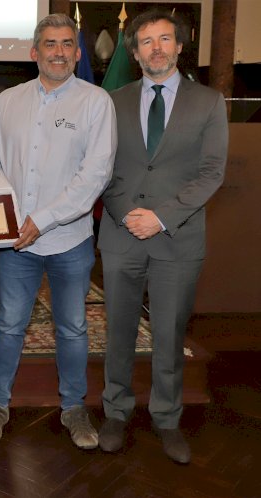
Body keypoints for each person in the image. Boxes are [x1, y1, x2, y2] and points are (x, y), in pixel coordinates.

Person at [0, 13, 116, 450]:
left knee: (72, 327)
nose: (58, 52)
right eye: (50, 43)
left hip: (68, 240)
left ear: (77, 52)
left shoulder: (95, 102)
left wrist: (45, 218)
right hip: (15, 242)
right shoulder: (9, 100)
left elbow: (96, 175)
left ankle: (73, 407)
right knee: (10, 324)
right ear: (35, 52)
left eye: (67, 44)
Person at [97, 10, 228, 464]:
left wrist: (160, 217)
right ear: (134, 53)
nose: (156, 47)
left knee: (170, 332)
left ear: (179, 46)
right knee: (118, 330)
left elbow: (212, 174)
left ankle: (167, 419)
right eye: (147, 41)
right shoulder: (111, 102)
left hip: (178, 238)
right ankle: (115, 412)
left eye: (164, 39)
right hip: (121, 233)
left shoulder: (209, 102)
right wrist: (126, 213)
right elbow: (102, 169)